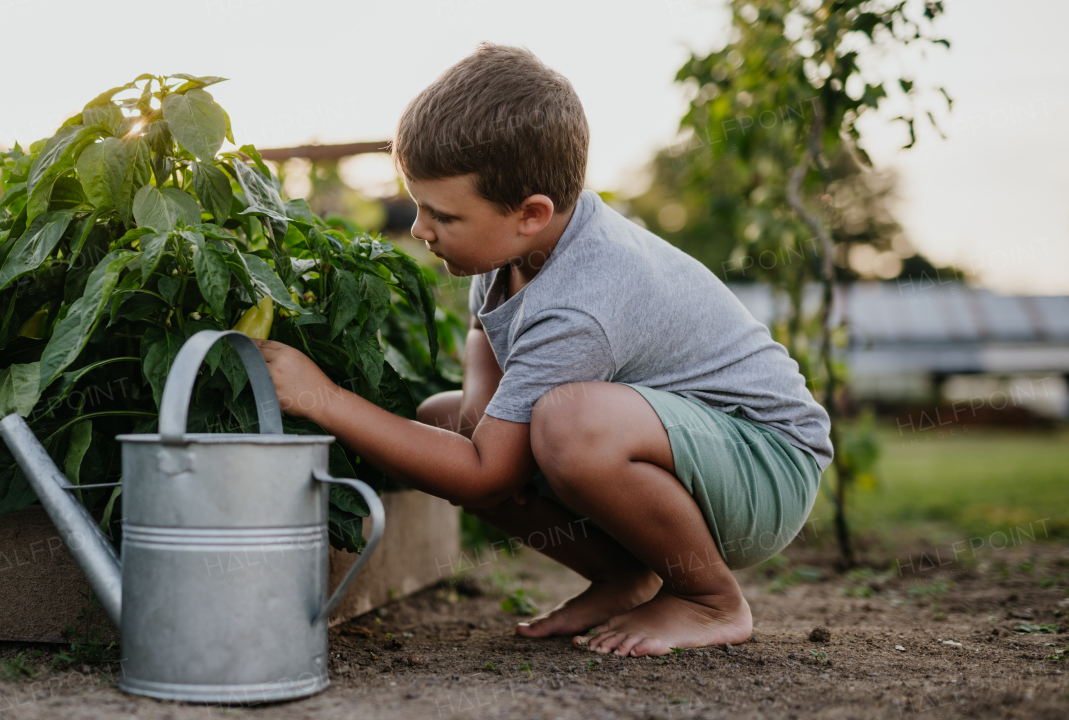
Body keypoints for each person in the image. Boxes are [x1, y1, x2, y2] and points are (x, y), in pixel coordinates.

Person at [253, 42, 832, 657]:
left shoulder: (580, 299)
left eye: (440, 215)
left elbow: (484, 480)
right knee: (442, 420)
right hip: (693, 457)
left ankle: (710, 600)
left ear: (531, 212)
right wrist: (479, 428)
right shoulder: (514, 247)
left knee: (567, 424)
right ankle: (623, 578)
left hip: (767, 468)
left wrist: (326, 398)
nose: (420, 229)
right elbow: (485, 336)